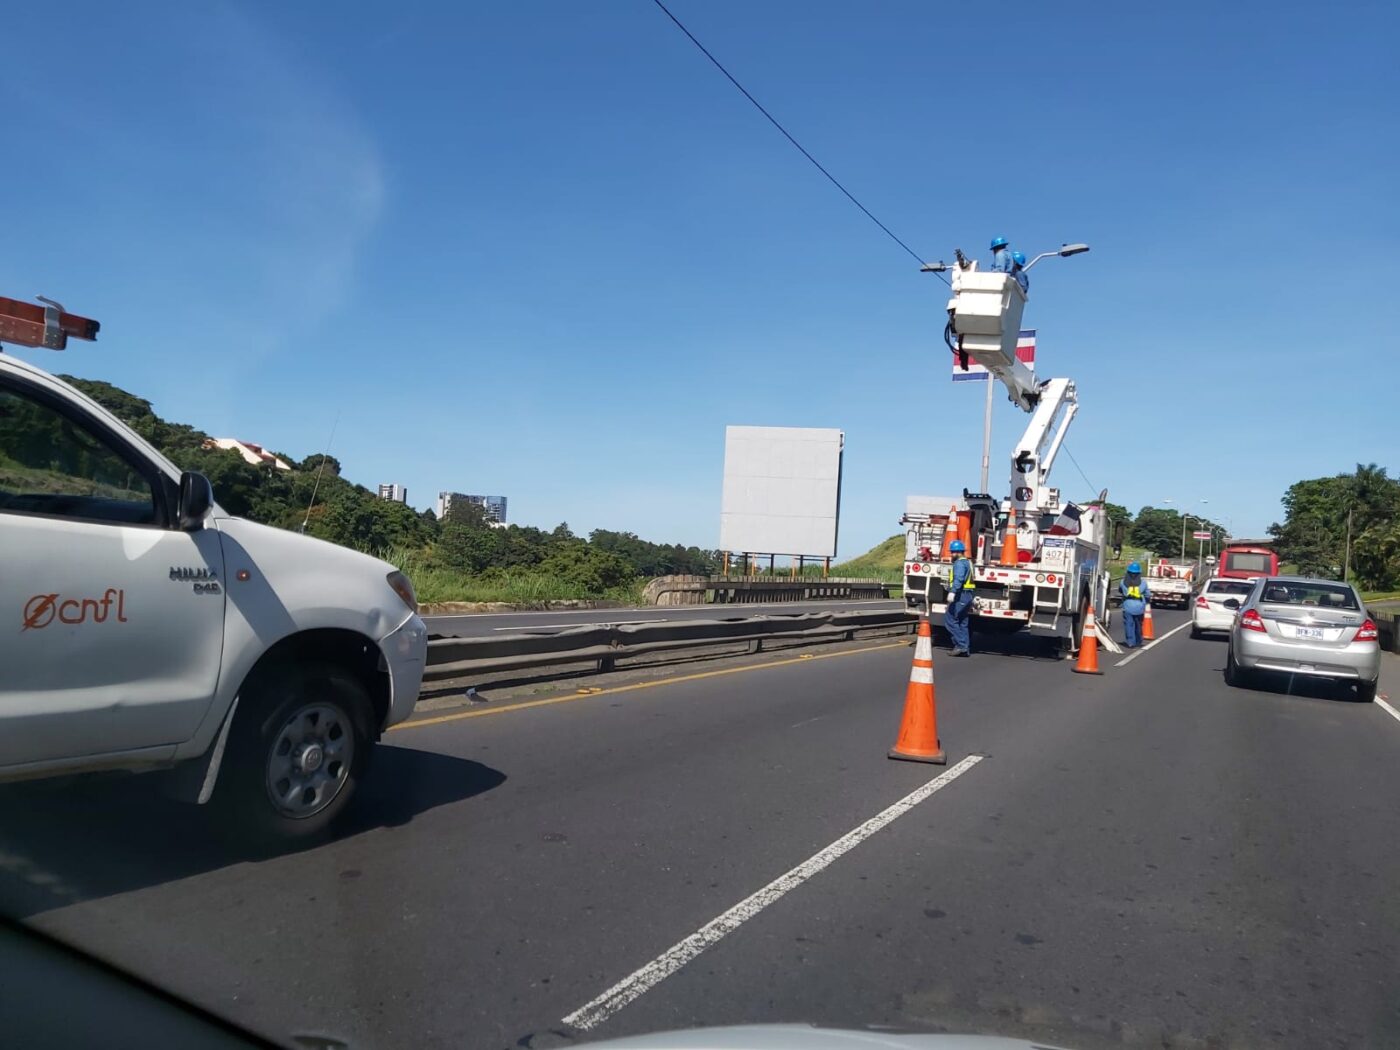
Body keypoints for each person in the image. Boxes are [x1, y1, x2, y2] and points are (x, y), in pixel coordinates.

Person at [945, 539, 976, 656]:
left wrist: (953, 592)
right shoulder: (968, 562)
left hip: (961, 595)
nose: (951, 554)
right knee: (962, 622)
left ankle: (961, 645)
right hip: (967, 595)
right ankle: (965, 649)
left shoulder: (959, 564)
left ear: (958, 552)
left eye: (953, 552)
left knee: (950, 620)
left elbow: (959, 578)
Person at [1119, 562, 1152, 648]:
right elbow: (1148, 595)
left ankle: (1130, 642)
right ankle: (1138, 641)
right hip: (1139, 607)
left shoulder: (1123, 582)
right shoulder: (1143, 583)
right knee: (1138, 625)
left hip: (1127, 607)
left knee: (1129, 625)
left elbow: (1120, 590)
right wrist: (1147, 600)